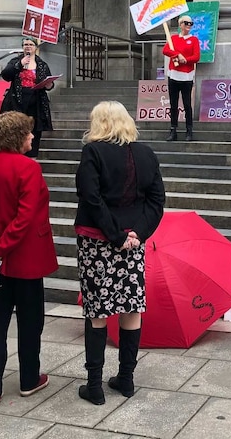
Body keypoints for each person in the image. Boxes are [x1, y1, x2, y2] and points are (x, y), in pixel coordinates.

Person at [0, 111, 59, 410]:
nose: (33, 137)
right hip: (26, 259)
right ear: (19, 137)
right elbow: (25, 218)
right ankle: (29, 379)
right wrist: (0, 248)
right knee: (31, 324)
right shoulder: (28, 168)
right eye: (29, 133)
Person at [74, 101, 165, 405]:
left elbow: (91, 197)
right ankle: (126, 379)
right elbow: (157, 200)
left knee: (97, 310)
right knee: (131, 307)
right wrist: (137, 232)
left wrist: (114, 235)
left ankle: (94, 385)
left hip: (98, 242)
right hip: (132, 243)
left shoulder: (93, 151)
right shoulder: (146, 153)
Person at [0, 36, 55, 157]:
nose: (28, 47)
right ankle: (16, 154)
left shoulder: (42, 64)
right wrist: (20, 64)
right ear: (22, 48)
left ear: (35, 48)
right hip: (17, 100)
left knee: (34, 129)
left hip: (36, 102)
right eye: (26, 45)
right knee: (17, 127)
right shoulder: (15, 61)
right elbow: (6, 75)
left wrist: (49, 84)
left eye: (31, 44)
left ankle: (32, 155)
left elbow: (49, 83)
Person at [163, 15, 200, 142]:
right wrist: (177, 54)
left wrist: (186, 59)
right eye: (186, 23)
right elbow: (166, 50)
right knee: (173, 104)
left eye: (191, 23)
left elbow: (196, 57)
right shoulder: (173, 38)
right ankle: (173, 130)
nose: (189, 25)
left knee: (187, 104)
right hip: (173, 75)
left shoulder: (194, 40)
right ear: (180, 25)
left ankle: (189, 130)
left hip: (187, 76)